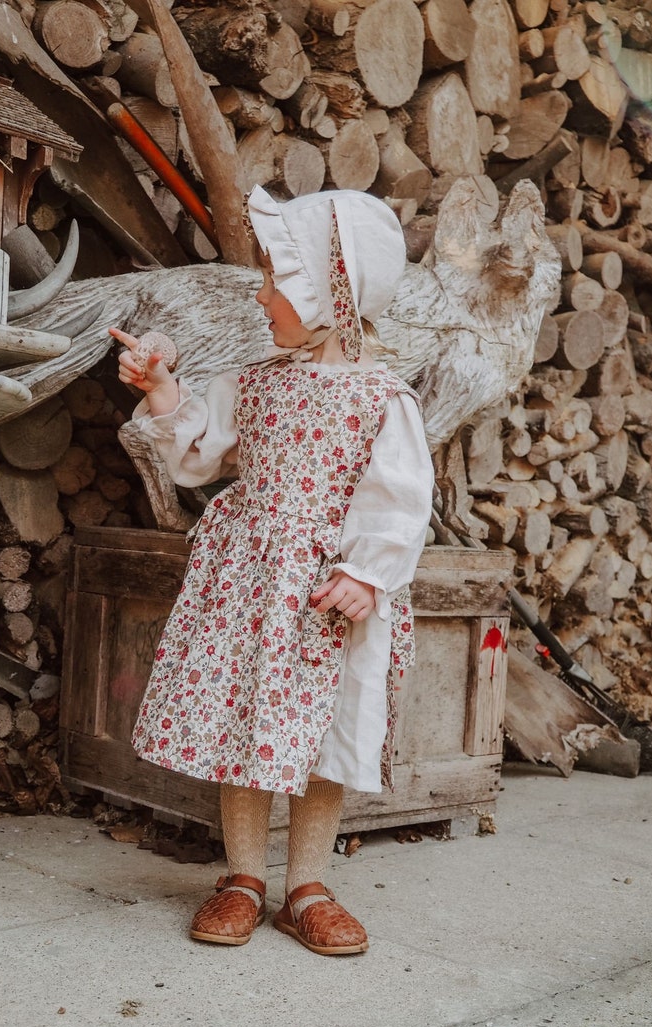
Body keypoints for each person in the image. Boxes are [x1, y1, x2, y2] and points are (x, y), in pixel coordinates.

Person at [110, 184, 434, 956]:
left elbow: (400, 495)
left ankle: (308, 883)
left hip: (326, 593)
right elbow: (197, 456)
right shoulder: (252, 382)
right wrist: (163, 391)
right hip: (250, 582)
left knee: (323, 732)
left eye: (275, 283)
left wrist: (368, 571)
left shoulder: (379, 396)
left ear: (333, 291)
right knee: (245, 721)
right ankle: (245, 876)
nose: (261, 297)